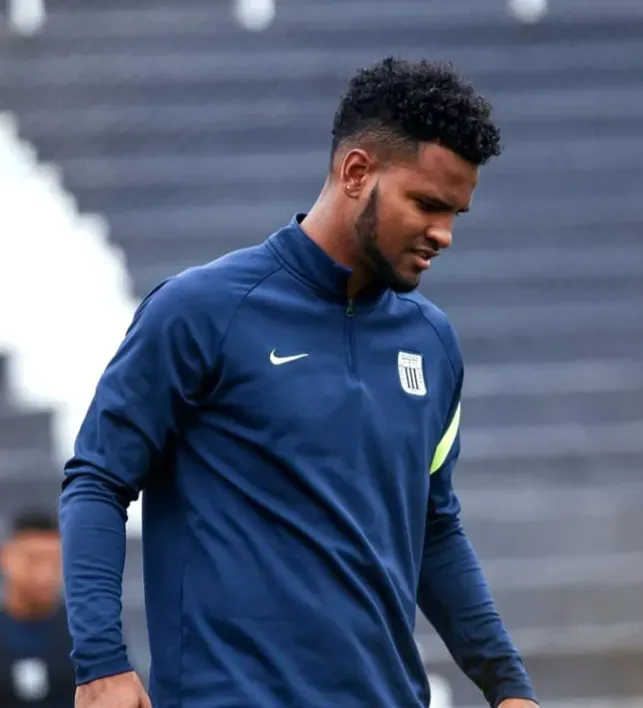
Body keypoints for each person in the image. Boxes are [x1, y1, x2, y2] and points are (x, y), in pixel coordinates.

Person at [59, 57, 539, 708]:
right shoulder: (201, 310)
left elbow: (432, 528)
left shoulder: (432, 344)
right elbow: (98, 479)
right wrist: (100, 663)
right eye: (426, 204)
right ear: (355, 172)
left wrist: (508, 687)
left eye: (455, 212)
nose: (443, 234)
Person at [0, 509, 75, 707]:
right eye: (33, 559)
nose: (44, 573)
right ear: (5, 557)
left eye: (53, 561)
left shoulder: (85, 635)